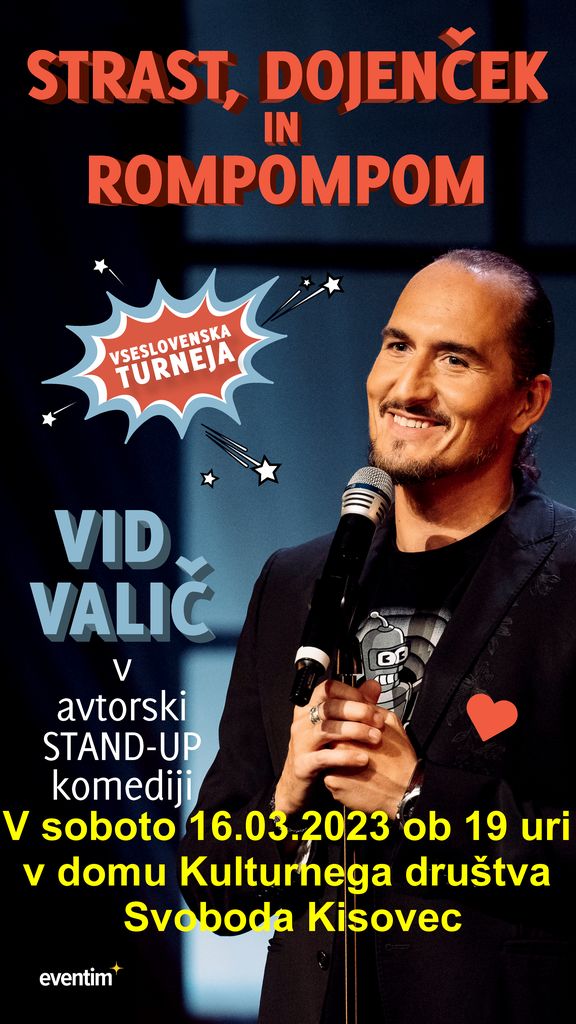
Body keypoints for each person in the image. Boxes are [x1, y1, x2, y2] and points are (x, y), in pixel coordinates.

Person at [180, 250, 576, 1024]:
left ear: (527, 402)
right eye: (398, 345)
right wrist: (287, 797)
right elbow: (213, 892)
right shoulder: (294, 582)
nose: (408, 387)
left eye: (454, 359)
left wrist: (418, 797)